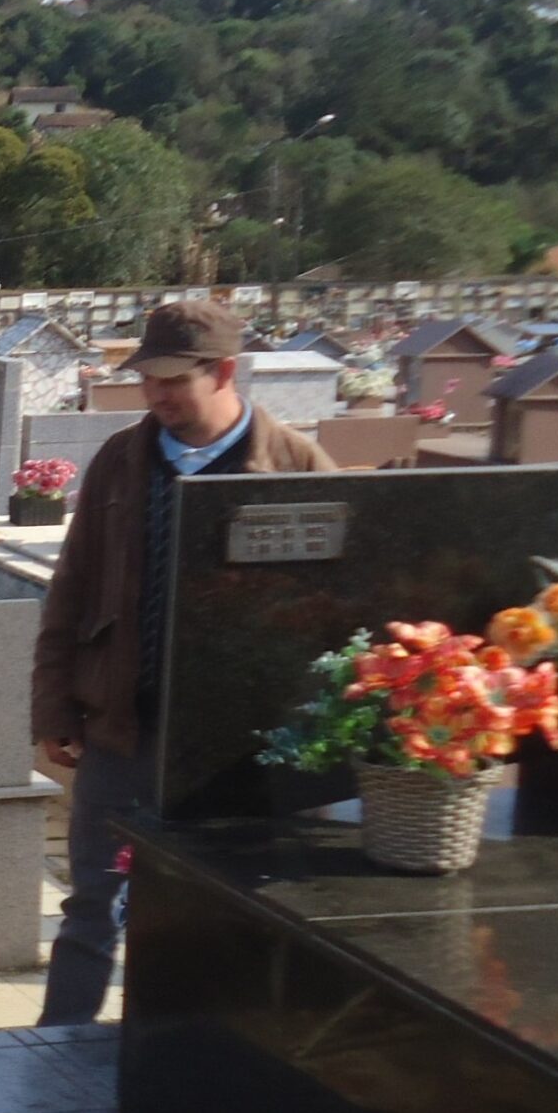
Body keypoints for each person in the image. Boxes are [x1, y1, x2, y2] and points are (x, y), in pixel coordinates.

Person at [32, 300, 335, 1025]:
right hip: (121, 727)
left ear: (224, 371)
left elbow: (334, 606)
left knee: (222, 904)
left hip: (237, 744)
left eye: (175, 381)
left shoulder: (291, 462)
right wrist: (54, 708)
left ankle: (197, 1043)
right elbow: (71, 592)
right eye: (149, 381)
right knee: (92, 903)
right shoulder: (120, 461)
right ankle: (54, 1047)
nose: (159, 396)